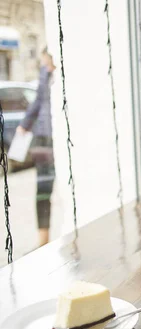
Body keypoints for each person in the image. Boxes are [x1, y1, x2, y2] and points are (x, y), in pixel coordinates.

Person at [16, 47, 56, 247]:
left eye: (45, 61)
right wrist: (24, 125)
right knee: (43, 189)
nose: (44, 65)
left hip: (57, 138)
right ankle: (43, 239)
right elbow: (38, 101)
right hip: (42, 138)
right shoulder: (45, 75)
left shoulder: (61, 75)